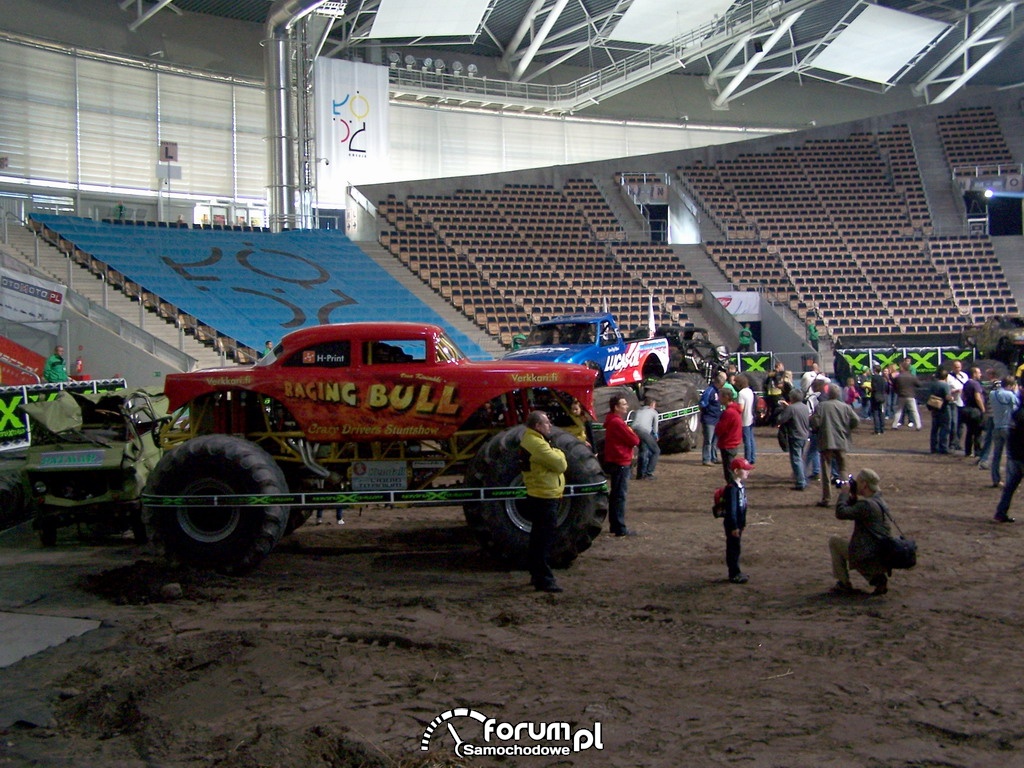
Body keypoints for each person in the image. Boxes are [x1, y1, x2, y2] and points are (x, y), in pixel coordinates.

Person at [520, 410, 568, 592]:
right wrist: (560, 453)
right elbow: (560, 464)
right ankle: (544, 578)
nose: (550, 425)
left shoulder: (534, 441)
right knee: (543, 539)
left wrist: (556, 452)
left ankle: (537, 574)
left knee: (539, 538)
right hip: (543, 496)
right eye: (547, 423)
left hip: (543, 494)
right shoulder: (536, 444)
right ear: (538, 426)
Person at [829, 468, 893, 596]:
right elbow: (858, 511)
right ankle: (877, 578)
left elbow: (841, 513)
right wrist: (853, 497)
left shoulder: (867, 505)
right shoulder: (879, 501)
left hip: (869, 556)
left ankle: (844, 583)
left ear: (864, 484)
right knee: (861, 548)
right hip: (883, 554)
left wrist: (844, 494)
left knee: (835, 542)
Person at [811, 384, 859, 507]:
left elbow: (815, 422)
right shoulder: (845, 407)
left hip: (827, 441)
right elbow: (856, 420)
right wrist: (848, 429)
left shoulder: (822, 406)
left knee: (826, 471)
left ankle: (827, 498)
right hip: (842, 441)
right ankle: (846, 495)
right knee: (843, 469)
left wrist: (816, 428)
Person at [603, 394, 639, 537]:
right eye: (623, 404)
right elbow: (634, 440)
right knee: (620, 496)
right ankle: (619, 527)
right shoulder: (617, 423)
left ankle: (615, 525)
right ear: (616, 407)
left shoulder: (612, 421)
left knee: (616, 495)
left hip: (616, 460)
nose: (626, 406)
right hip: (621, 461)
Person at [722, 457, 753, 584]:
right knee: (733, 548)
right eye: (744, 469)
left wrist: (742, 523)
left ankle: (736, 571)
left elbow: (742, 507)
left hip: (738, 523)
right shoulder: (732, 488)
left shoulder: (740, 486)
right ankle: (734, 573)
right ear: (736, 471)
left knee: (736, 547)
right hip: (733, 524)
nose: (747, 472)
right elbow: (732, 509)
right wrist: (734, 525)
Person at [993, 398, 1024, 523]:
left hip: (1015, 455)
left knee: (1010, 486)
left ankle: (1001, 511)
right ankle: (1001, 512)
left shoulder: (1016, 413)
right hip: (1021, 455)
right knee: (1010, 486)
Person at [989, 376, 1019, 488]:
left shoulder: (992, 394)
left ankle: (995, 479)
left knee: (996, 455)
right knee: (1010, 456)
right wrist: (1015, 392)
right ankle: (1009, 480)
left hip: (996, 426)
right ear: (1010, 385)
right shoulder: (1010, 395)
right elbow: (1017, 407)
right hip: (1008, 427)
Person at [777, 387, 811, 490]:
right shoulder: (805, 407)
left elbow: (781, 419)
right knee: (800, 458)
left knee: (796, 459)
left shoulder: (791, 408)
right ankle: (802, 477)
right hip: (804, 435)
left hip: (795, 435)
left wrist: (784, 409)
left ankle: (801, 481)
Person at [715, 388, 743, 484]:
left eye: (720, 396)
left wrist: (717, 428)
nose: (718, 398)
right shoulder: (734, 410)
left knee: (729, 472)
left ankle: (733, 492)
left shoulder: (729, 413)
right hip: (732, 442)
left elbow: (721, 428)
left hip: (728, 443)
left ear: (726, 397)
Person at [700, 371, 726, 466]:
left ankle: (714, 457)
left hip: (717, 419)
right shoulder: (709, 391)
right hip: (709, 420)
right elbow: (703, 404)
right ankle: (706, 459)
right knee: (708, 440)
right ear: (718, 383)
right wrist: (706, 413)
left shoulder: (718, 391)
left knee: (714, 440)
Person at [632, 395, 660, 480]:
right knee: (656, 451)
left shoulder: (638, 411)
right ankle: (649, 473)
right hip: (644, 431)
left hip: (633, 430)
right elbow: (655, 426)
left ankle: (640, 474)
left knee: (643, 450)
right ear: (652, 404)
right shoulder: (653, 412)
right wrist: (656, 435)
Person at [961, 366, 986, 458]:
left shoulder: (966, 383)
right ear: (974, 374)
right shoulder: (975, 384)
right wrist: (983, 409)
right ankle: (977, 451)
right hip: (975, 411)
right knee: (977, 432)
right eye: (979, 372)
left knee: (969, 431)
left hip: (967, 409)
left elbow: (962, 396)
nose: (980, 374)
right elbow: (978, 398)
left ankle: (968, 451)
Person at [927, 368, 952, 455]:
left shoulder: (933, 384)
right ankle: (943, 447)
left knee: (935, 429)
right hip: (944, 408)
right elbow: (948, 397)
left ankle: (933, 447)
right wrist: (952, 398)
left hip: (934, 407)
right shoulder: (945, 385)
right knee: (945, 428)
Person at [891, 358, 921, 430]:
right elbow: (919, 385)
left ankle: (894, 425)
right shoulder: (912, 377)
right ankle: (918, 426)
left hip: (901, 396)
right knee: (914, 411)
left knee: (899, 411)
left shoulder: (898, 377)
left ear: (903, 368)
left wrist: (898, 392)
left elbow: (894, 386)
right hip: (910, 396)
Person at [946, 361, 967, 452]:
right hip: (954, 402)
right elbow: (946, 390)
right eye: (956, 367)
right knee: (954, 423)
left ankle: (958, 442)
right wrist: (954, 391)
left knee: (961, 425)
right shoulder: (949, 377)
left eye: (959, 367)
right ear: (953, 367)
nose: (958, 369)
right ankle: (952, 443)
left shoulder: (964, 376)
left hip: (963, 402)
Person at [735, 374, 756, 465]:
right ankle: (752, 457)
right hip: (751, 417)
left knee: (747, 440)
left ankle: (747, 458)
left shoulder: (741, 393)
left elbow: (741, 408)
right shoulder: (749, 391)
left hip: (744, 419)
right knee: (751, 439)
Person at [763, 361, 788, 426]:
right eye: (782, 367)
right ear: (779, 366)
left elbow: (765, 384)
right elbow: (779, 384)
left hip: (770, 393)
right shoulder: (778, 374)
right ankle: (776, 422)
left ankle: (771, 422)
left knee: (772, 408)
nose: (783, 368)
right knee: (780, 407)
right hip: (777, 393)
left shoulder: (770, 374)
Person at [869, 365, 887, 434]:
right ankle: (882, 429)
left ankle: (877, 430)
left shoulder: (874, 378)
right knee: (881, 413)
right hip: (882, 396)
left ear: (874, 370)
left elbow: (874, 387)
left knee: (875, 413)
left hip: (875, 397)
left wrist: (871, 389)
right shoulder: (882, 378)